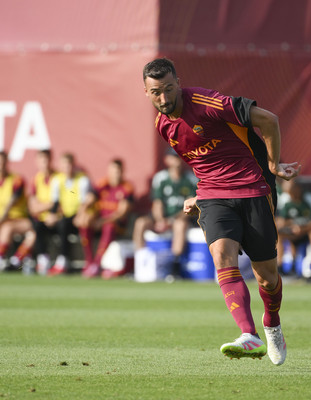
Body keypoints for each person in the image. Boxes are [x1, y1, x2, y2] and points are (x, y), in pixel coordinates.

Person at [143, 57, 299, 365]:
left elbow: (269, 120)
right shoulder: (163, 126)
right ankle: (249, 335)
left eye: (169, 89)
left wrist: (273, 164)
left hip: (253, 188)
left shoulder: (206, 102)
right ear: (146, 92)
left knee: (267, 277)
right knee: (222, 257)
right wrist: (200, 196)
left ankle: (272, 323)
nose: (163, 98)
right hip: (214, 197)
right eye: (156, 92)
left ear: (178, 84)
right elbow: (203, 162)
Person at [132, 148, 197, 276]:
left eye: (179, 157)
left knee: (180, 224)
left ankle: (174, 266)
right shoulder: (161, 178)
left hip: (180, 218)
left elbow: (191, 206)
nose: (177, 160)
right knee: (140, 223)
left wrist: (171, 221)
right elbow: (157, 203)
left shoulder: (190, 179)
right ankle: (140, 263)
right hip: (162, 217)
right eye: (175, 157)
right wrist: (160, 220)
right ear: (167, 160)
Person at [77, 159, 134, 278]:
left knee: (109, 227)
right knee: (85, 223)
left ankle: (97, 264)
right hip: (99, 221)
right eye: (113, 170)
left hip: (116, 225)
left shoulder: (126, 188)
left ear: (122, 171)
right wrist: (81, 213)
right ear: (109, 171)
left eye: (118, 171)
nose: (116, 174)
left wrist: (102, 221)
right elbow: (89, 199)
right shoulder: (102, 185)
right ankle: (89, 261)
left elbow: (121, 213)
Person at [45, 153, 92, 276]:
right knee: (41, 225)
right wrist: (52, 215)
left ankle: (63, 260)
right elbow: (56, 202)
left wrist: (79, 215)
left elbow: (84, 202)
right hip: (64, 216)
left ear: (73, 166)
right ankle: (42, 259)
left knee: (64, 224)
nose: (67, 168)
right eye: (64, 165)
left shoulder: (82, 179)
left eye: (69, 165)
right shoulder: (57, 180)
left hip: (77, 216)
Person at [0, 151, 36, 271]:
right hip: (3, 220)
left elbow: (12, 202)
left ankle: (16, 260)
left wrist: (1, 219)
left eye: (3, 162)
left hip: (18, 219)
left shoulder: (16, 179)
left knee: (32, 232)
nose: (1, 165)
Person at [276, 179, 311, 276]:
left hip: (307, 231)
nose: (290, 196)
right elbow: (282, 221)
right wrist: (291, 225)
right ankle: (280, 266)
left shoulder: (309, 200)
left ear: (298, 189)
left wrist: (302, 229)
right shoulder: (286, 200)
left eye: (291, 192)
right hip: (293, 231)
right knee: (278, 234)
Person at [28, 149, 57, 273]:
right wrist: (49, 204)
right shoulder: (36, 179)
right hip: (41, 218)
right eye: (41, 160)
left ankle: (62, 260)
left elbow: (64, 199)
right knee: (36, 227)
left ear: (51, 160)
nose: (44, 163)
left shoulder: (58, 178)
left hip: (56, 217)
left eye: (46, 160)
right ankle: (41, 259)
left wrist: (52, 210)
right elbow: (33, 207)